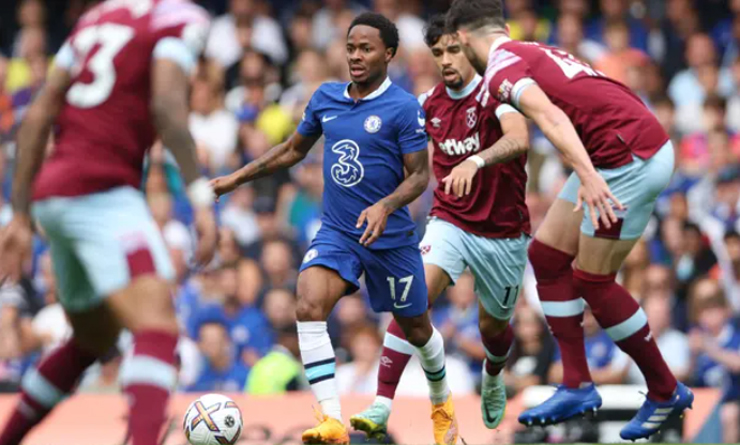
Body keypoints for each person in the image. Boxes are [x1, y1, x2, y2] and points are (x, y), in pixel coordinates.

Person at [446, 0, 692, 440]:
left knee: (594, 280)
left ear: (463, 37)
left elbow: (551, 116)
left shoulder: (501, 70)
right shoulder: (527, 49)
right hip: (617, 148)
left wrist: (589, 175)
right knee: (546, 256)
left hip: (628, 158)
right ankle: (576, 384)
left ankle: (664, 390)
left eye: (451, 48)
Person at [211, 12, 457, 445]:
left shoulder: (402, 107)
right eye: (350, 48)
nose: (356, 56)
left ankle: (442, 405)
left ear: (389, 54)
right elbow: (292, 149)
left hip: (390, 239)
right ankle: (331, 420)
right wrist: (236, 178)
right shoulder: (326, 98)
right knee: (308, 304)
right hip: (340, 232)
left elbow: (420, 175)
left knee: (417, 330)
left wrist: (386, 205)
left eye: (366, 49)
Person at [0, 1, 218, 445]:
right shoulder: (179, 17)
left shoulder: (94, 20)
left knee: (91, 337)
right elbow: (166, 105)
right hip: (102, 192)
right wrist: (200, 198)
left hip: (53, 195)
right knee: (158, 329)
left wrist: (20, 213)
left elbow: (38, 115)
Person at [351, 15, 530, 437]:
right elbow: (401, 156)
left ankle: (493, 372)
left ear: (469, 49)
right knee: (411, 299)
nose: (446, 60)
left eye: (453, 50)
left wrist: (476, 160)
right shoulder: (427, 103)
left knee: (493, 328)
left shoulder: (496, 91)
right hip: (450, 220)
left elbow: (519, 137)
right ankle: (382, 402)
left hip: (503, 231)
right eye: (438, 53)